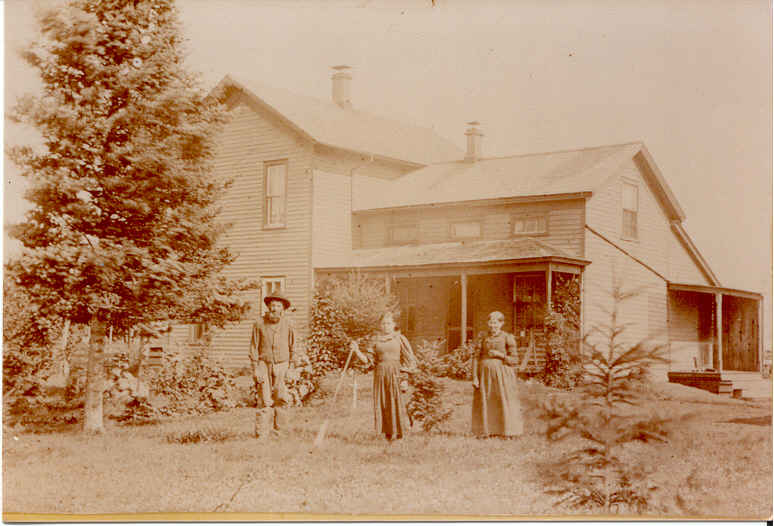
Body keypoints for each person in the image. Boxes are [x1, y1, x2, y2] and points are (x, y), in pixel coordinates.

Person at [352, 311, 418, 440]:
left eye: (388, 323)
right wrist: (356, 350)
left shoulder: (400, 339)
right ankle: (388, 433)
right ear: (380, 325)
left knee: (396, 401)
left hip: (396, 373)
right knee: (383, 402)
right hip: (380, 374)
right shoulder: (375, 341)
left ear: (394, 324)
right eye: (383, 323)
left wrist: (405, 378)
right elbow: (368, 361)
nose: (385, 326)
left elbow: (409, 359)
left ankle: (400, 434)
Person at [249, 291, 297, 437]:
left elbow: (293, 347)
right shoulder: (259, 324)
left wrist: (291, 369)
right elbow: (253, 347)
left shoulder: (289, 324)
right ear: (268, 307)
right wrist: (256, 368)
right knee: (264, 400)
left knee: (281, 399)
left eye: (277, 305)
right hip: (264, 364)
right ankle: (261, 435)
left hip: (282, 365)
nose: (274, 308)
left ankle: (280, 434)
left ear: (283, 308)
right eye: (272, 305)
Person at [471, 311, 523, 438]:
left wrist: (500, 355)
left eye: (495, 323)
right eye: (491, 322)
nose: (493, 326)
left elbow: (515, 360)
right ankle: (486, 431)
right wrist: (474, 377)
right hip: (484, 376)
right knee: (486, 401)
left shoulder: (507, 337)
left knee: (503, 401)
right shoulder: (483, 337)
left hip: (503, 376)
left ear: (501, 323)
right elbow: (476, 358)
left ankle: (507, 431)